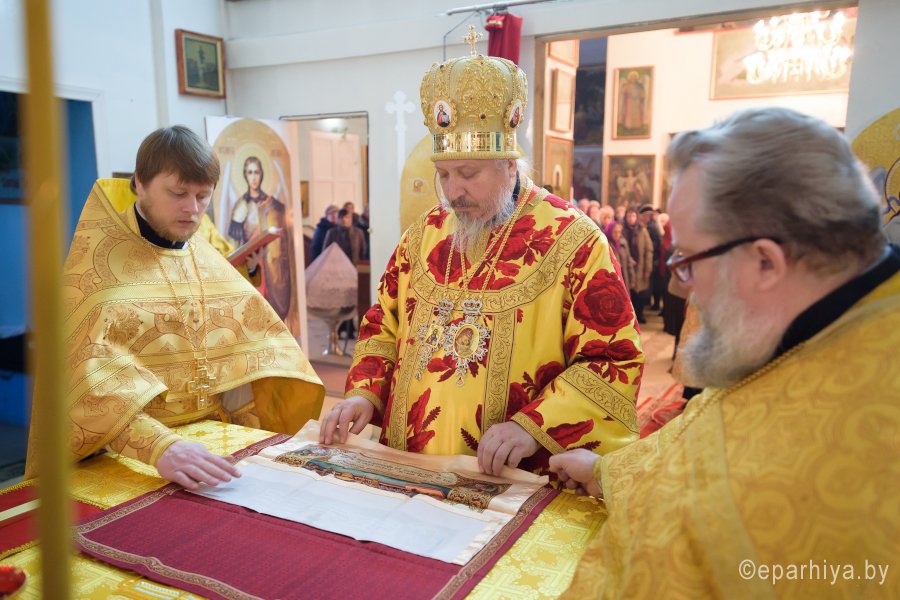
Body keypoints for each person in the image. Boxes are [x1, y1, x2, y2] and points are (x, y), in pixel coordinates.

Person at [550, 107, 899, 597]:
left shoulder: (842, 455)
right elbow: (697, 444)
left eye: (689, 261)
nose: (682, 287)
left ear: (765, 262)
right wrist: (606, 471)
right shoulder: (812, 323)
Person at [321, 51, 644, 476]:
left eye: (468, 174)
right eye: (444, 174)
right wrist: (364, 393)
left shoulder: (574, 241)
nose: (453, 192)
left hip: (507, 479)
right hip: (406, 466)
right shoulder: (423, 235)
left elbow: (612, 358)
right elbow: (383, 324)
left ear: (508, 164)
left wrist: (534, 425)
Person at [25, 126, 325, 489]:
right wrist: (159, 447)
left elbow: (251, 357)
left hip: (213, 450)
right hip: (128, 459)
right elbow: (84, 387)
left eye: (203, 196)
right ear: (140, 183)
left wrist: (252, 434)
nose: (192, 209)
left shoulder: (204, 255)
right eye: (178, 193)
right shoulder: (98, 271)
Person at [228, 156, 293, 320]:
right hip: (250, 264)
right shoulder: (240, 206)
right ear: (245, 175)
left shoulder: (272, 204)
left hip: (269, 265)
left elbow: (283, 244)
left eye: (256, 172)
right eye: (250, 172)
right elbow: (234, 244)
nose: (253, 177)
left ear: (262, 174)